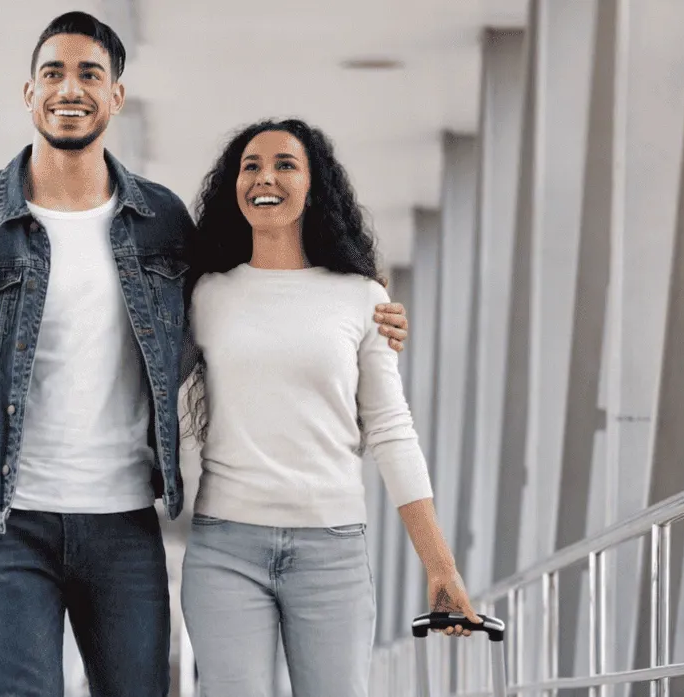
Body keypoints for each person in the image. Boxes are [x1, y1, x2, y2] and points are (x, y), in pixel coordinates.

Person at [0, 13, 410, 696]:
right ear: (29, 93)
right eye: (53, 73)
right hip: (3, 524)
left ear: (116, 97)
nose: (69, 88)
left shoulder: (164, 223)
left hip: (123, 523)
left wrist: (359, 306)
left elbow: (238, 306)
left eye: (89, 74)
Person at [177, 119, 478, 696]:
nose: (265, 176)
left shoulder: (362, 298)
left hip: (331, 552)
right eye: (250, 165)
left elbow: (391, 430)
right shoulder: (206, 295)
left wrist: (440, 565)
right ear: (233, 187)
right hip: (224, 548)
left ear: (315, 187)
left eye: (285, 164)